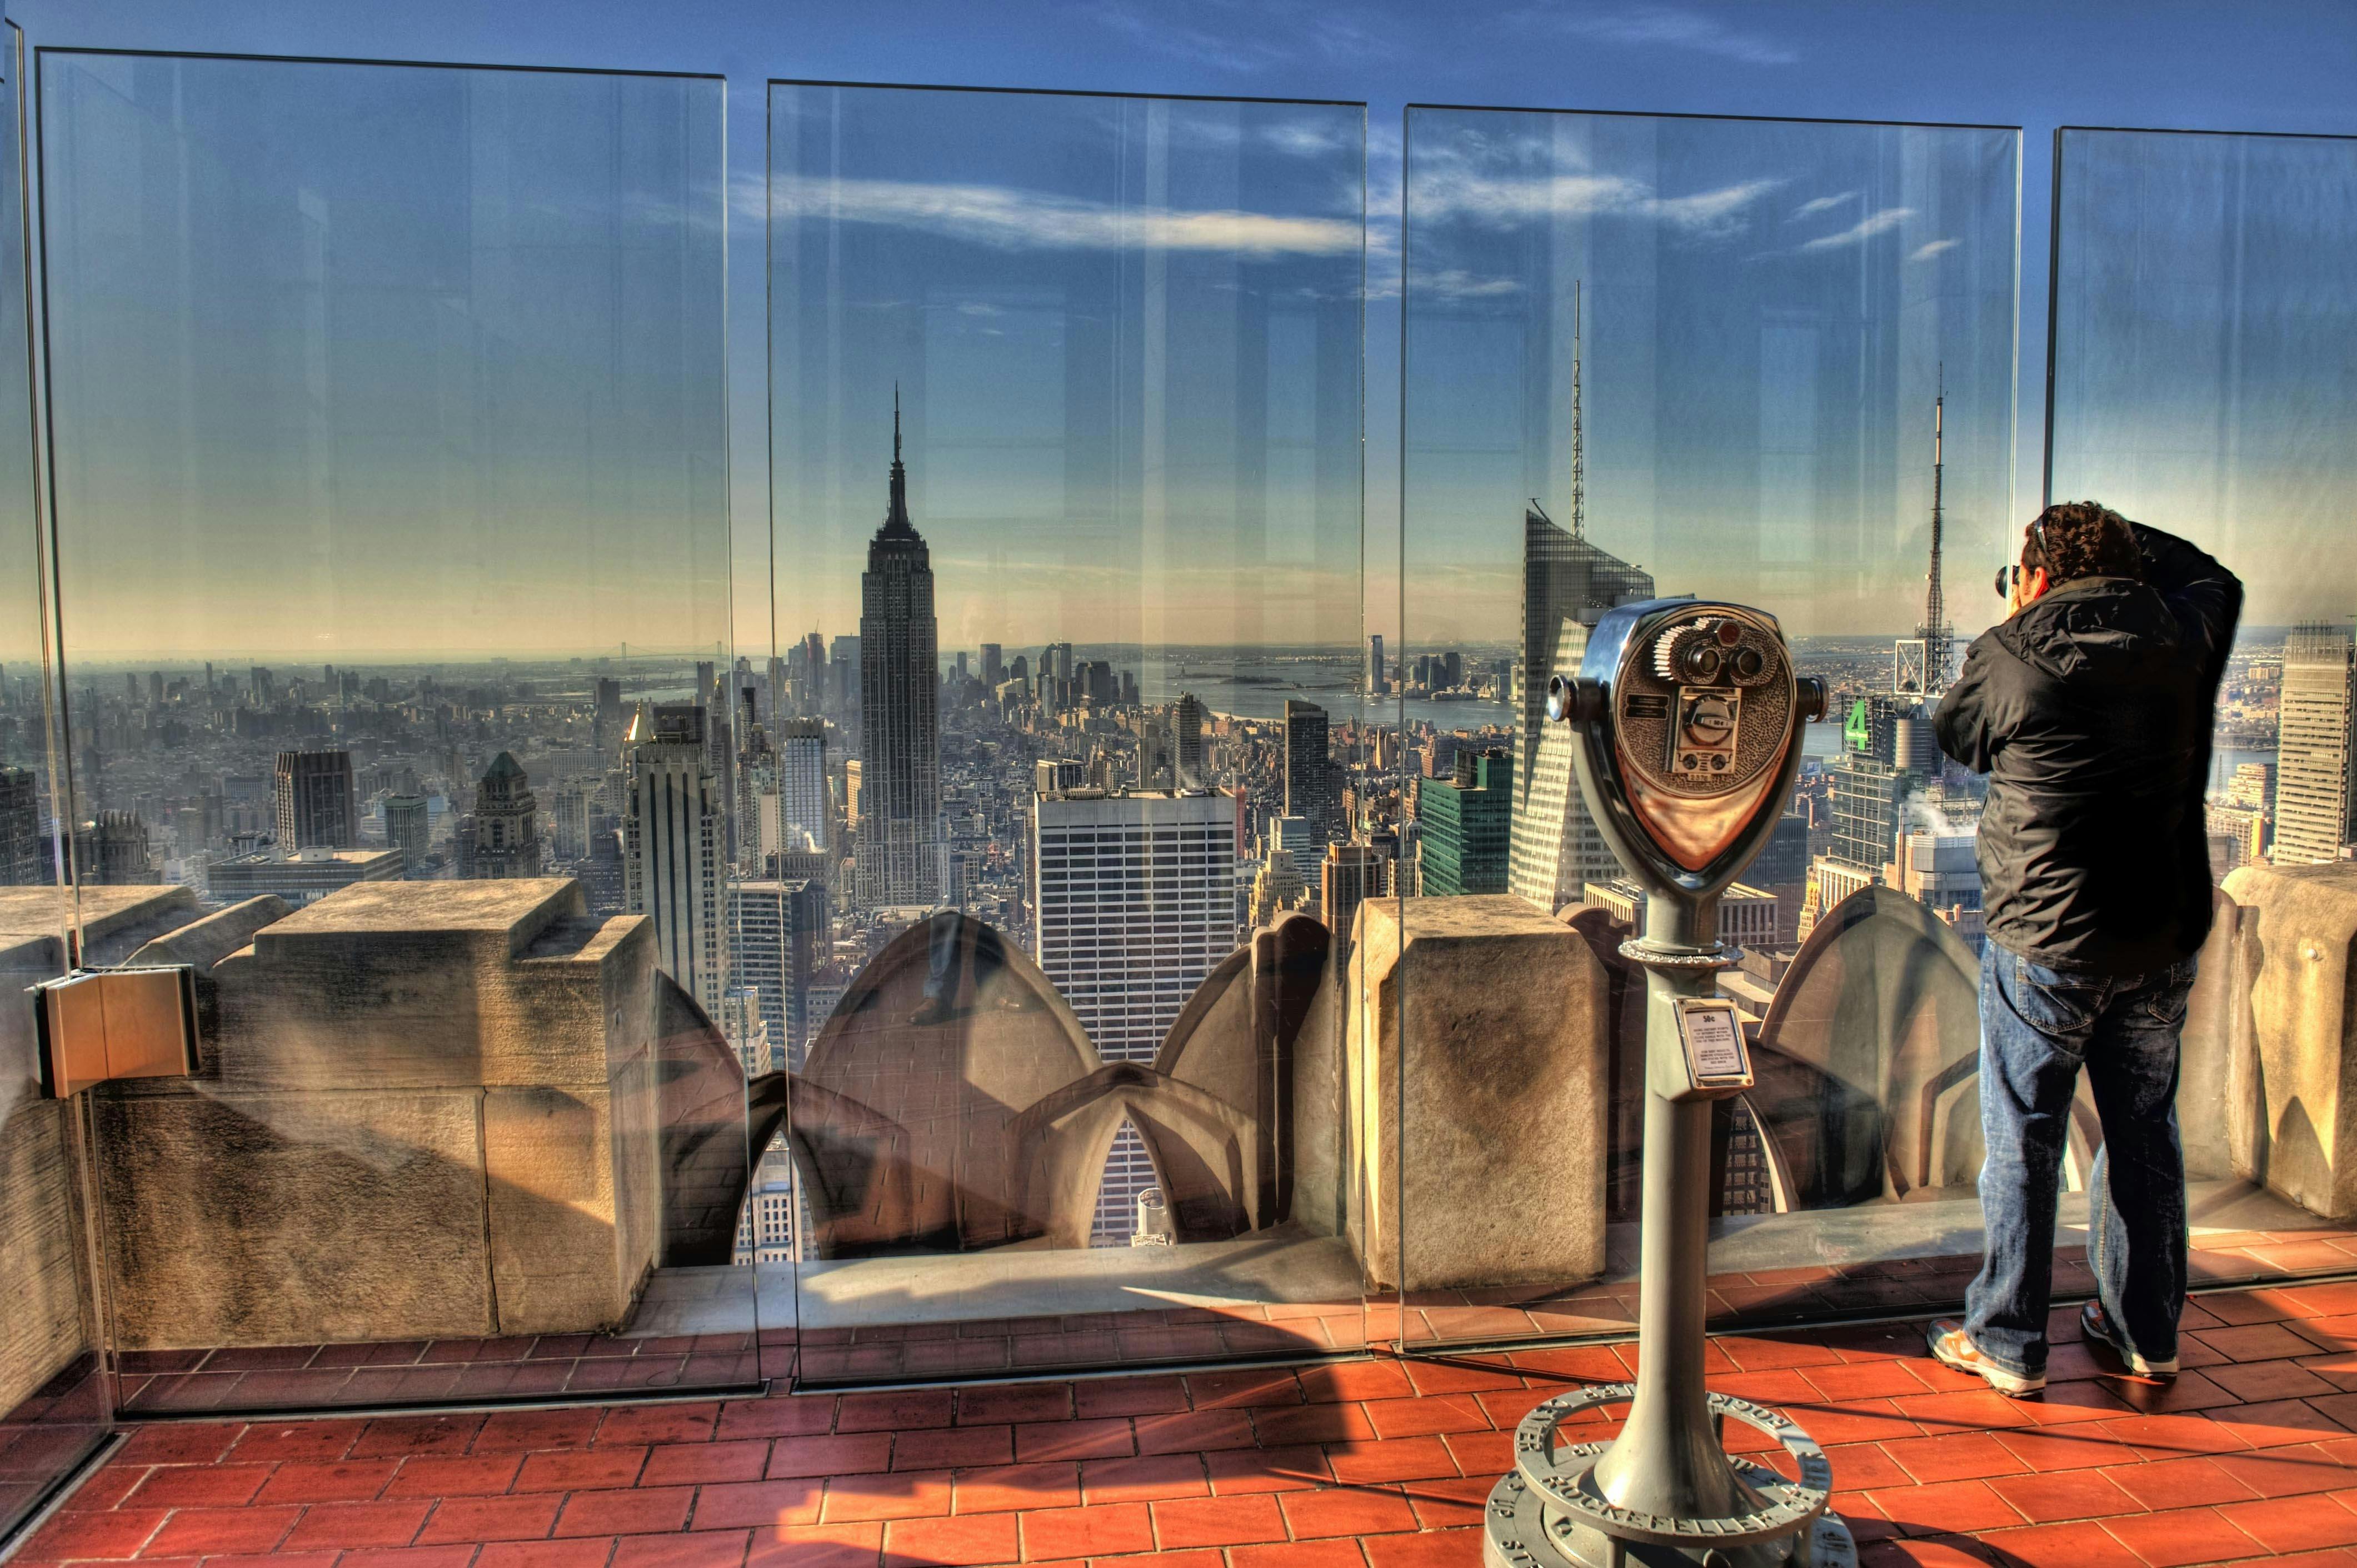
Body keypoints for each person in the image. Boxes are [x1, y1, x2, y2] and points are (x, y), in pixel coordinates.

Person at [1925, 501, 2242, 1397]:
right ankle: (2146, 1330)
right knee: (2143, 1130)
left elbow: (1957, 734)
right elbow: (2215, 573)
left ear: (2034, 575)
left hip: (2047, 936)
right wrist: (2130, 545)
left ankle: (2008, 1338)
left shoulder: (2013, 651)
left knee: (2024, 1133)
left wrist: (2017, 615)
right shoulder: (2183, 631)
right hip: (2160, 931)